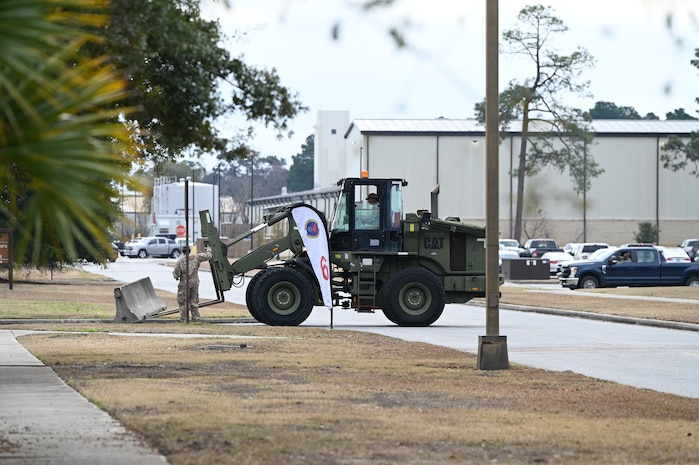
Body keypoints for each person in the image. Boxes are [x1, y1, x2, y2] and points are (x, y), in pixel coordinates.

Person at [172, 245, 212, 322]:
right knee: (194, 301)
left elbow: (177, 273)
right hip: (194, 283)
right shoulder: (196, 257)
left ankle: (184, 318)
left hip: (184, 285)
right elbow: (208, 256)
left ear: (182, 251)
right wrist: (208, 249)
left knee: (183, 302)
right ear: (190, 251)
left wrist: (176, 276)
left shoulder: (180, 261)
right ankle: (195, 318)